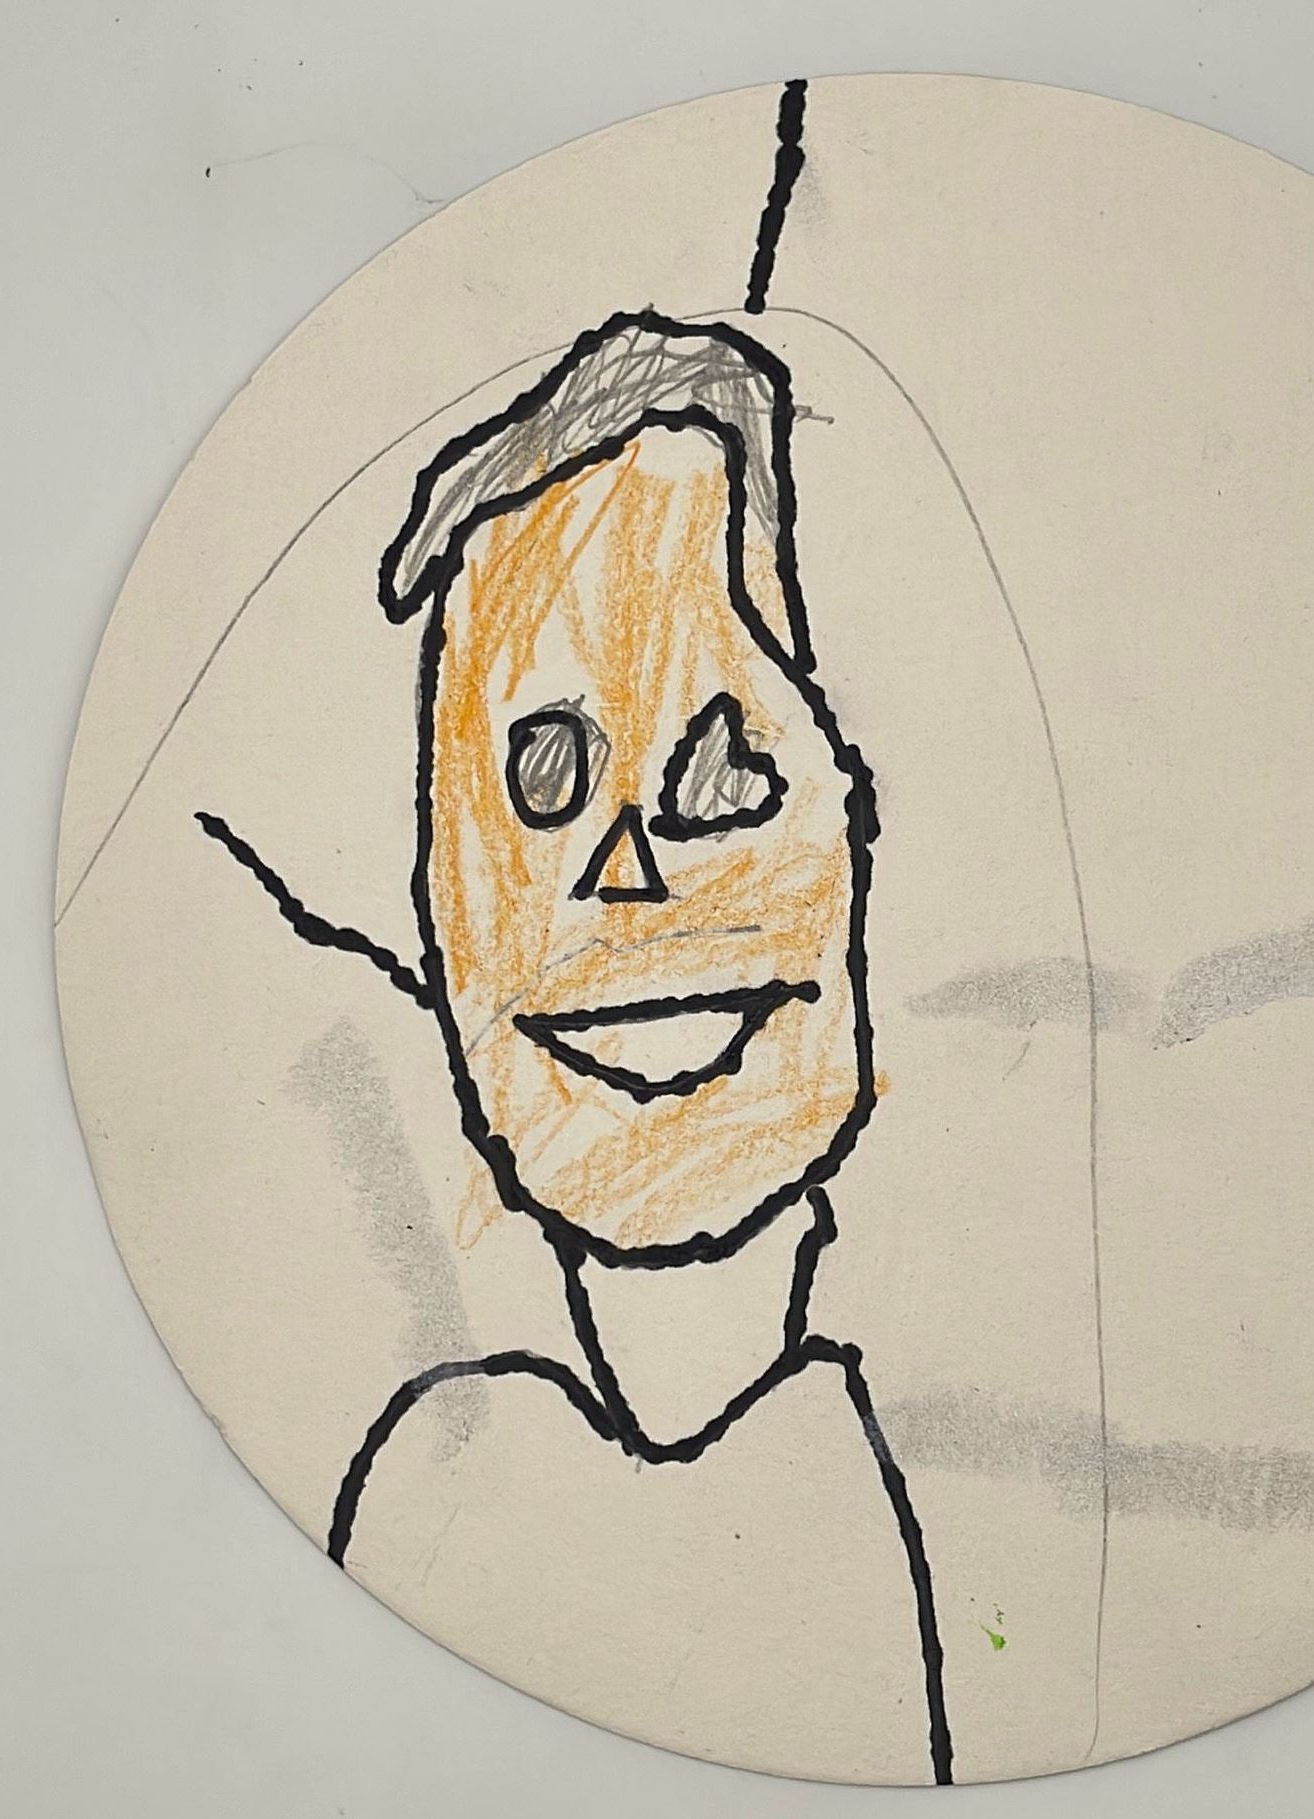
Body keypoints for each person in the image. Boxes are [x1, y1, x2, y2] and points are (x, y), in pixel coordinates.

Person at [197, 309, 952, 1783]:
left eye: (725, 770)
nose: (628, 874)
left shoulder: (918, 1478)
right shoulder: (433, 1491)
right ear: (436, 898)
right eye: (541, 775)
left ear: (856, 826)